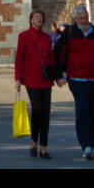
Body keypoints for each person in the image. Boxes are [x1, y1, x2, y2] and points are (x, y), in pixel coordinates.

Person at [55, 3, 94, 159]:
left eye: (85, 18)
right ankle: (86, 146)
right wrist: (59, 75)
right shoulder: (69, 33)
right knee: (83, 111)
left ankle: (93, 143)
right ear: (75, 18)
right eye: (80, 18)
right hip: (76, 79)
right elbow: (58, 53)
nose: (83, 21)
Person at [15, 9, 60, 158]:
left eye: (41, 17)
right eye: (36, 17)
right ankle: (34, 141)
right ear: (31, 20)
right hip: (31, 79)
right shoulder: (24, 36)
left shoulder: (47, 38)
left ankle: (44, 147)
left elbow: (51, 59)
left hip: (46, 80)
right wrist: (17, 79)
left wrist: (57, 77)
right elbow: (19, 58)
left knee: (46, 113)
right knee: (37, 110)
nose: (39, 19)